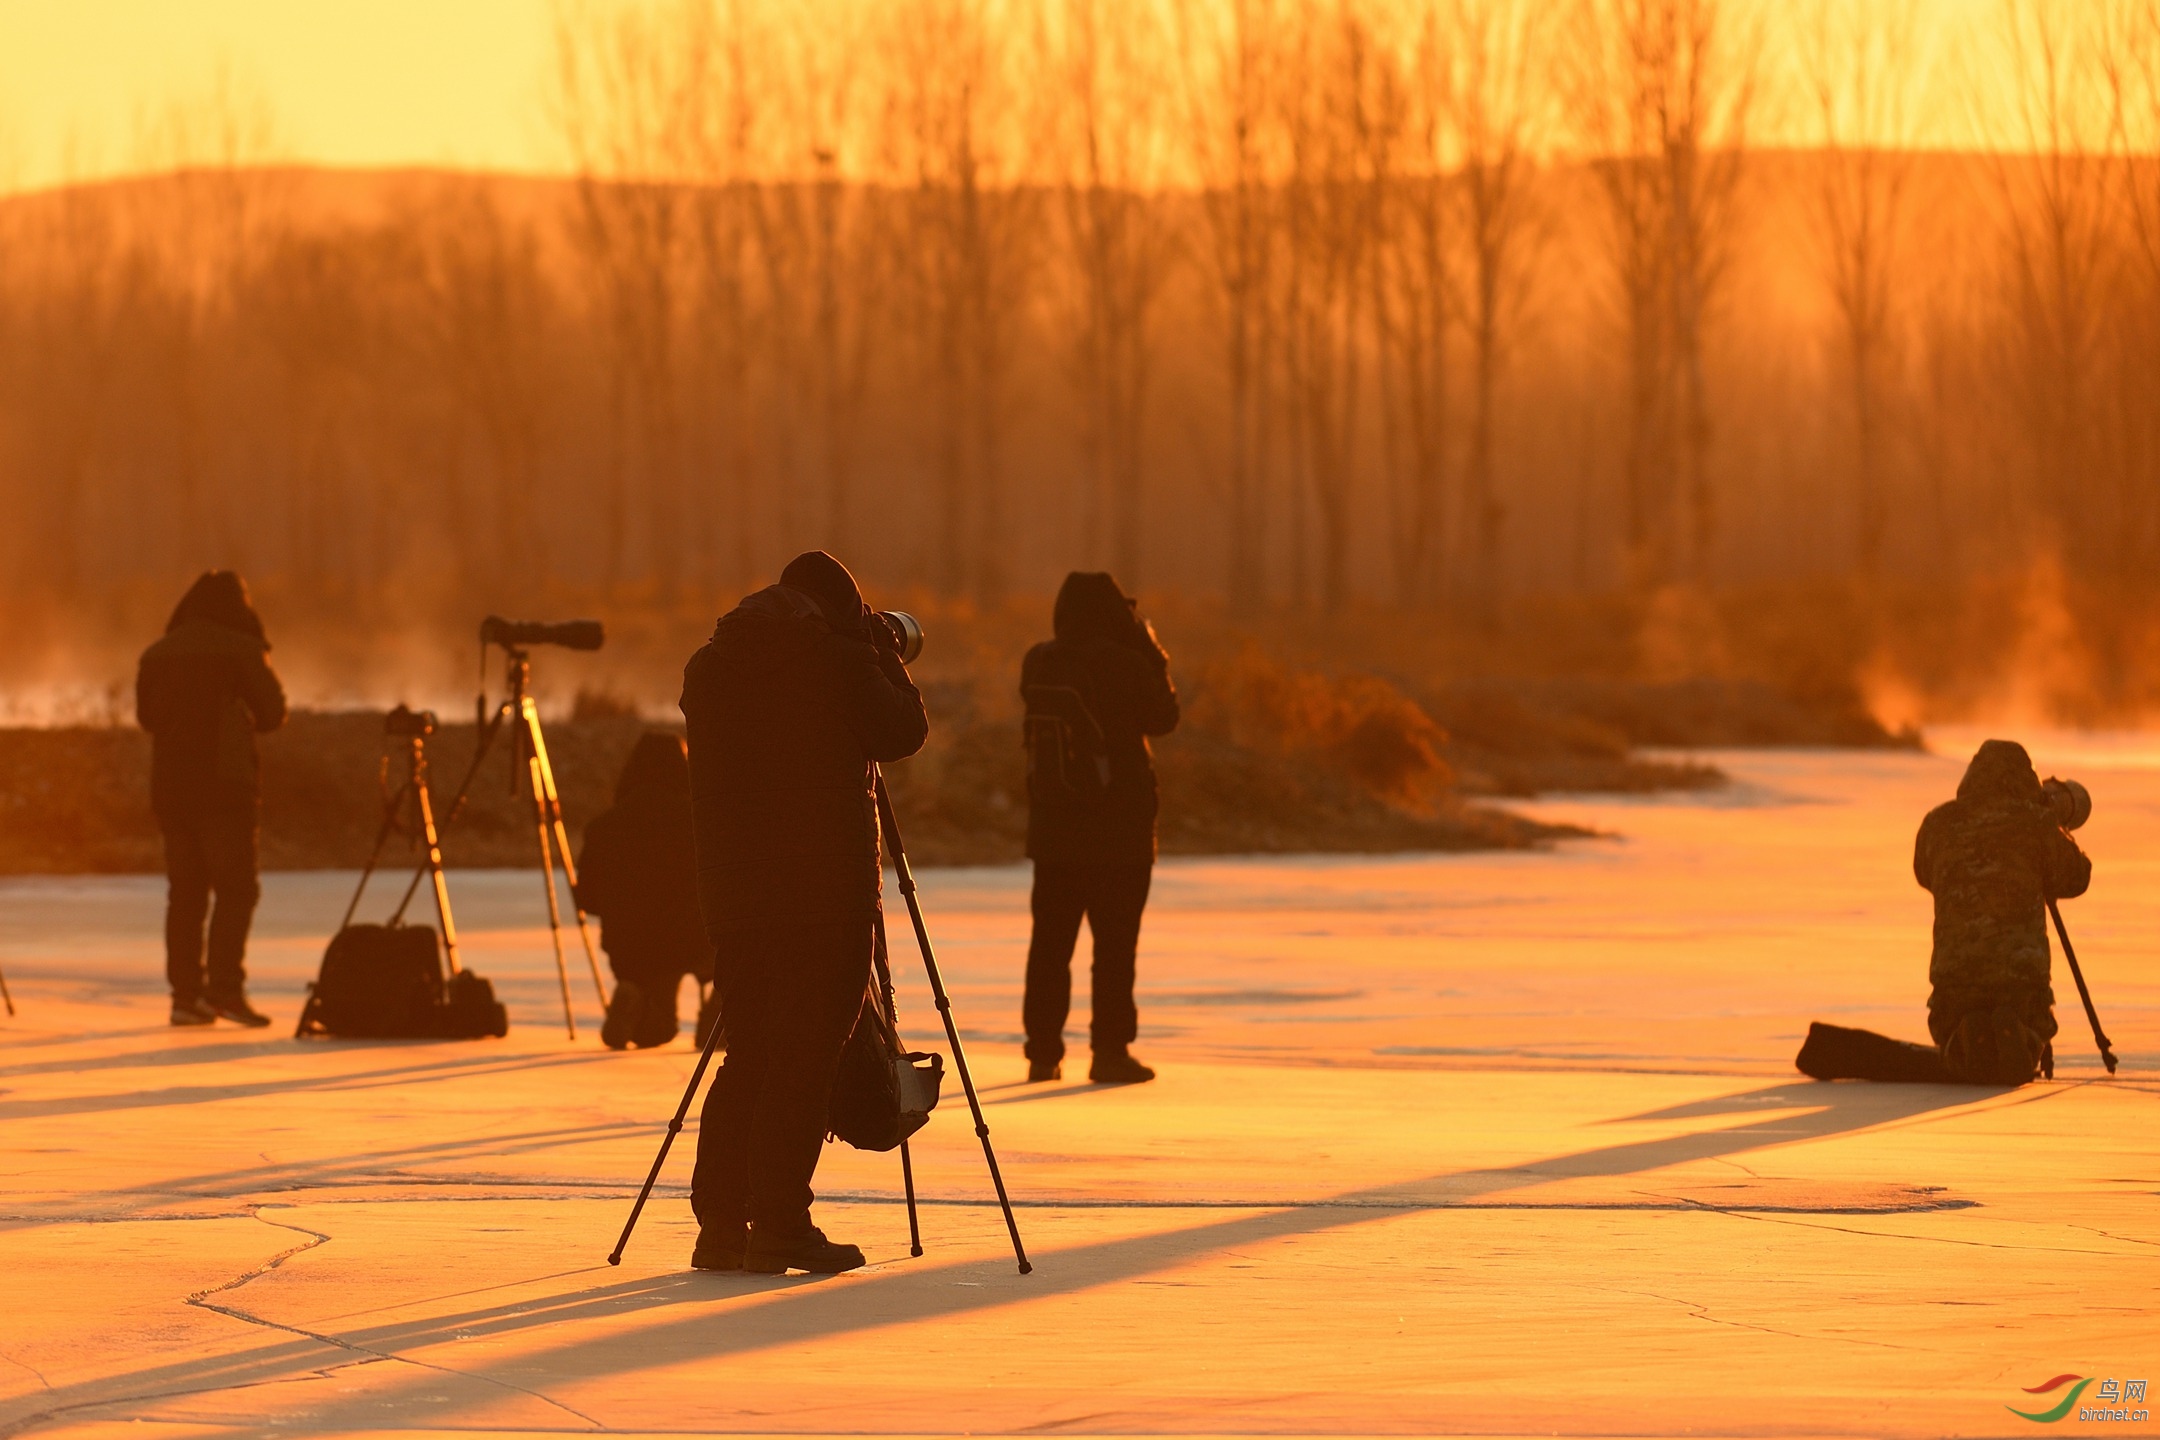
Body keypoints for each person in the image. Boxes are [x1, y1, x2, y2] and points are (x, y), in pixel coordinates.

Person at [679, 551, 928, 1275]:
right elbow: (903, 733)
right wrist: (881, 655)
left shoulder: (711, 667)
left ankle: (722, 1226)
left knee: (750, 1050)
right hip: (824, 894)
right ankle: (781, 1224)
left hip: (734, 895)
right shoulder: (842, 662)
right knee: (806, 1054)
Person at [1795, 738, 2091, 1086]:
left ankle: (1965, 1035)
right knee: (2030, 1018)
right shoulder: (2036, 822)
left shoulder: (1938, 823)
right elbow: (2076, 878)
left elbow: (1925, 874)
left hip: (1955, 986)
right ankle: (2021, 1037)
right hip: (2020, 985)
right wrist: (2053, 824)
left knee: (1956, 1022)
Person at [1019, 572, 1179, 1086]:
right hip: (1119, 832)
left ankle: (1042, 1054)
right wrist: (1151, 650)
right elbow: (1164, 716)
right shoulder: (1125, 663)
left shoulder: (1039, 660)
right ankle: (1109, 1051)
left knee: (1049, 947)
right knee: (1113, 947)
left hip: (1053, 831)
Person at [135, 570, 287, 1027]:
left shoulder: (157, 654)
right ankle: (226, 991)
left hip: (172, 790)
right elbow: (273, 714)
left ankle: (186, 997)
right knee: (237, 890)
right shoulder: (240, 648)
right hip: (225, 788)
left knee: (185, 895)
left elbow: (147, 718)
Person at [574, 732, 716, 1050]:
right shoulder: (700, 824)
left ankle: (633, 992)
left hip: (628, 945)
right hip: (688, 941)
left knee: (653, 1033)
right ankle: (719, 1008)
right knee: (720, 956)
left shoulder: (603, 827)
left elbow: (585, 898)